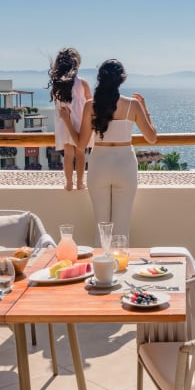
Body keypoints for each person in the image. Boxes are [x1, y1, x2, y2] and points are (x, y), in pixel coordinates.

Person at [65, 59, 157, 243]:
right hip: (125, 164)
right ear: (121, 80)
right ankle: (121, 270)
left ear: (100, 78)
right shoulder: (133, 105)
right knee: (122, 228)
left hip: (100, 163)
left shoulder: (91, 105)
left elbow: (81, 144)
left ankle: (100, 269)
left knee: (102, 226)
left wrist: (67, 121)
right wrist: (145, 109)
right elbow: (152, 138)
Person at [48, 47, 92, 191]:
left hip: (63, 123)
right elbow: (90, 102)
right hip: (80, 121)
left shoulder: (57, 85)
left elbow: (58, 106)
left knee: (68, 154)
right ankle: (80, 183)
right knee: (80, 153)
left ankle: (68, 183)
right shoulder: (82, 83)